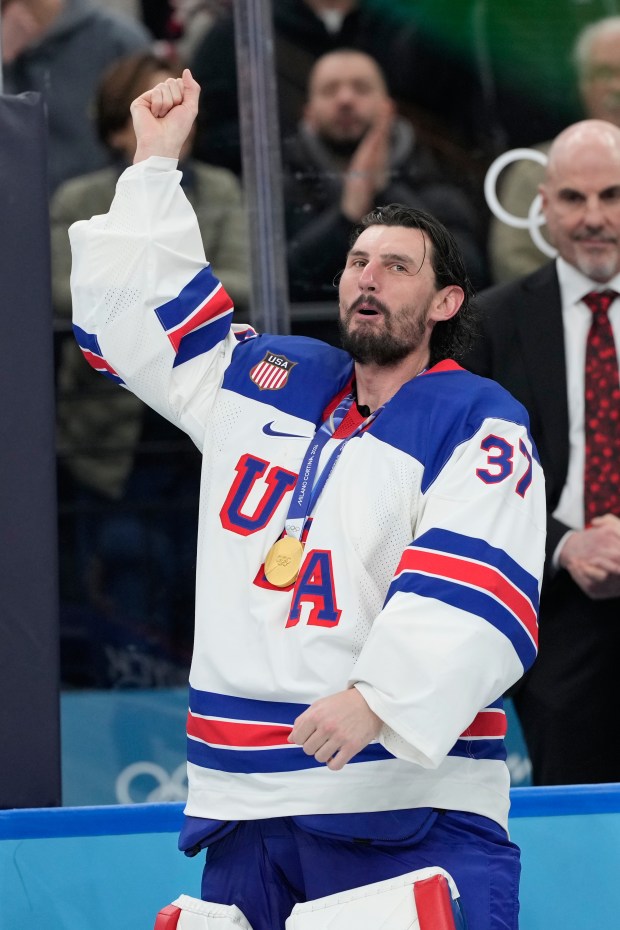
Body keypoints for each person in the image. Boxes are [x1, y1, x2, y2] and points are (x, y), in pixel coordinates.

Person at [69, 69, 545, 930]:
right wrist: (152, 161)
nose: (368, 277)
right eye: (359, 261)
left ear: (445, 302)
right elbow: (127, 327)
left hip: (402, 806)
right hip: (244, 810)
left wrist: (382, 698)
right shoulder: (269, 381)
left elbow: (480, 584)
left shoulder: (477, 419)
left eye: (397, 267)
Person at [53, 51, 249, 687]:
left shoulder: (218, 188)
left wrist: (139, 293)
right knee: (125, 597)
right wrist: (162, 295)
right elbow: (62, 291)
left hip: (203, 428)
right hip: (112, 440)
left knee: (214, 586)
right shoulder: (80, 197)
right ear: (117, 125)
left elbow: (242, 279)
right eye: (147, 105)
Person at [466, 118, 620, 786]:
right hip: (553, 611)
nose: (593, 218)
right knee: (580, 825)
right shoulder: (490, 326)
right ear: (543, 206)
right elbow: (465, 478)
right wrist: (565, 546)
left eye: (612, 196)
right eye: (573, 199)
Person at [284, 48, 487, 318]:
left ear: (388, 108)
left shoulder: (436, 173)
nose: (345, 99)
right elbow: (277, 280)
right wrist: (345, 215)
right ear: (307, 112)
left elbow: (469, 273)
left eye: (361, 88)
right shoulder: (281, 183)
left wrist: (385, 191)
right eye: (330, 90)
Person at [188, 0, 480, 177]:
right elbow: (209, 135)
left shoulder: (412, 30)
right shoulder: (240, 35)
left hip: (406, 191)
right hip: (286, 209)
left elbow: (453, 127)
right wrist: (296, 149)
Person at [488, 16, 620, 284]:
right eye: (605, 73)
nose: (617, 87)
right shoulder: (535, 170)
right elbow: (512, 261)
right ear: (582, 85)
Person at [1, 0, 153, 194]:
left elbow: (149, 127)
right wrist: (5, 60)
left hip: (103, 201)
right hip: (23, 200)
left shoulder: (117, 38)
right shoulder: (8, 40)